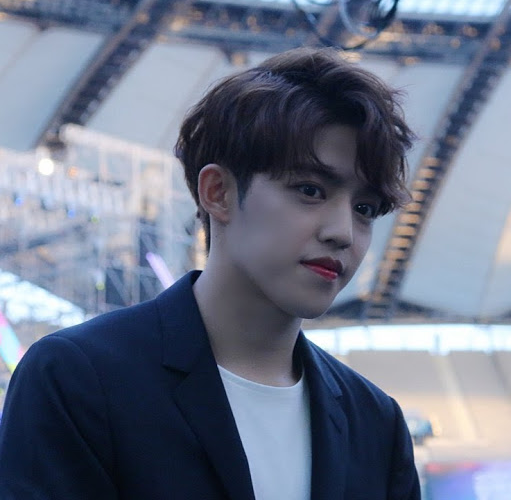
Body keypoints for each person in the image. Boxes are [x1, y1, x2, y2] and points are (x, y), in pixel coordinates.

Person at [0, 47, 420, 499]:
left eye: (365, 209)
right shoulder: (78, 378)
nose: (343, 232)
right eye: (310, 190)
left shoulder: (376, 423)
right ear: (218, 192)